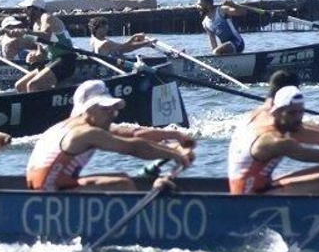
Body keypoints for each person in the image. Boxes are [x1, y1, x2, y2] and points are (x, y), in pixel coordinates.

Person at [26, 79, 196, 191]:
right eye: (106, 109)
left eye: (114, 109)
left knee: (122, 178)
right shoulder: (85, 133)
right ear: (88, 109)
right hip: (49, 193)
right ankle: (137, 233)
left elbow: (134, 134)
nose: (113, 114)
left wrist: (175, 136)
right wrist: (174, 154)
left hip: (47, 187)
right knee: (123, 184)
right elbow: (133, 147)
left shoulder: (69, 126)